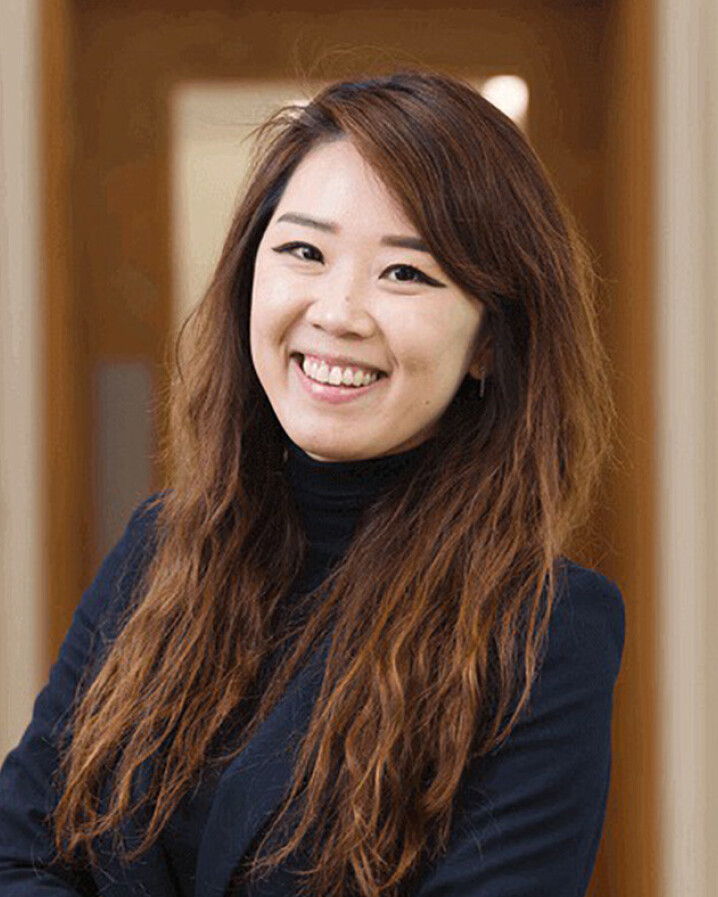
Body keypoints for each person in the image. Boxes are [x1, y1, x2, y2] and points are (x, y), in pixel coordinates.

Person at [0, 70, 625, 897]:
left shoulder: (542, 632)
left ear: (489, 342)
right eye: (304, 252)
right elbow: (20, 853)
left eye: (406, 273)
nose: (337, 312)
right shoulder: (158, 551)